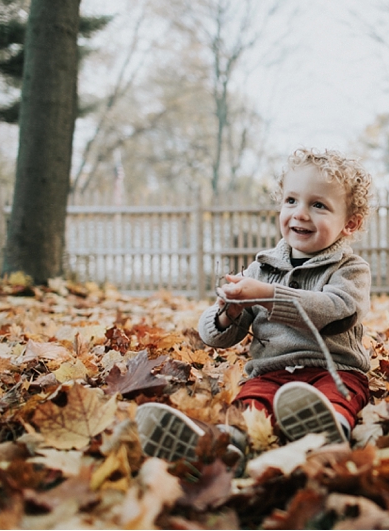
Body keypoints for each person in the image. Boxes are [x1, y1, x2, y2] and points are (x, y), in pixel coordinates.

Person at [136, 148, 373, 465]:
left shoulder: (350, 269)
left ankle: (329, 435)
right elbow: (216, 337)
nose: (300, 213)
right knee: (251, 403)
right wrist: (228, 313)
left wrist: (268, 296)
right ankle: (225, 448)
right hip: (269, 372)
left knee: (335, 396)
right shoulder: (261, 268)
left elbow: (335, 309)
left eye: (318, 205)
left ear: (350, 224)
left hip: (333, 370)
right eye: (291, 201)